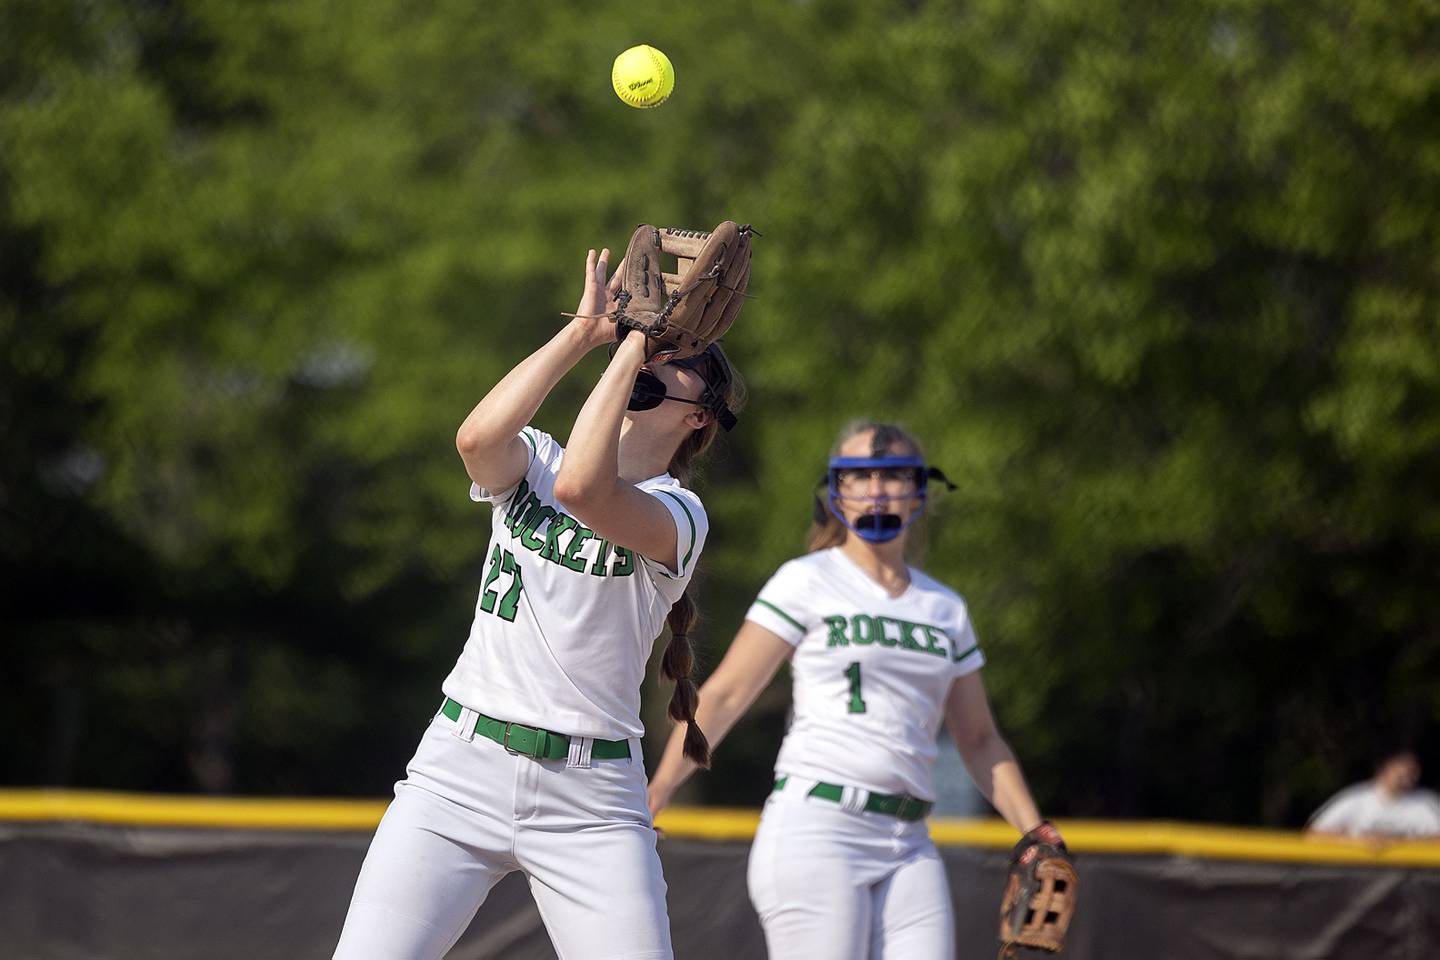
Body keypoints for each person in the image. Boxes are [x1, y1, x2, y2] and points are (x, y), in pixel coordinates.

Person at [333, 247, 745, 960]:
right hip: (461, 769)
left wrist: (639, 341)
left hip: (591, 800)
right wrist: (586, 334)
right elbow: (474, 439)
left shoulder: (680, 514)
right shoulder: (537, 457)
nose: (656, 349)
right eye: (654, 340)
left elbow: (588, 490)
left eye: (680, 355)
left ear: (697, 420)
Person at [647, 419, 1063, 959]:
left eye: (891, 475)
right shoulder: (807, 579)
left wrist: (1035, 832)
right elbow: (726, 694)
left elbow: (980, 740)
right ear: (836, 490)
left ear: (919, 490)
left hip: (910, 840)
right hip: (819, 827)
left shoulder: (944, 607)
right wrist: (657, 792)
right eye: (858, 474)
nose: (875, 488)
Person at [1307, 749, 1440, 841]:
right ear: (1383, 769)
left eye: (1413, 770)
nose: (1409, 775)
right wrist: (1356, 842)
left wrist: (1398, 843)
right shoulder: (1355, 798)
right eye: (1403, 770)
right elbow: (1313, 835)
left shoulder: (1425, 802)